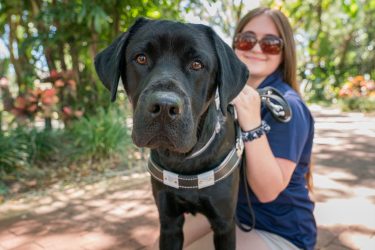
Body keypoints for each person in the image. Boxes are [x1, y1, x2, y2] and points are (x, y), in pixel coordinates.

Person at [179, 7, 316, 250]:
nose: (255, 49)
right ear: (234, 44)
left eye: (270, 44)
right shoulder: (225, 97)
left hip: (281, 232)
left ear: (285, 53)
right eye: (247, 40)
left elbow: (267, 192)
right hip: (232, 213)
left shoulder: (289, 108)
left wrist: (252, 122)